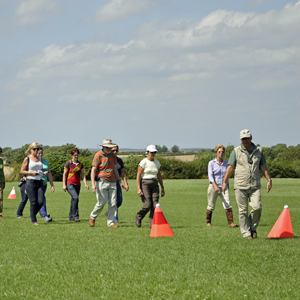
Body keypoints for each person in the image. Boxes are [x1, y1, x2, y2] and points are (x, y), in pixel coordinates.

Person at [222, 129, 272, 239]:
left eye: (247, 138)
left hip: (255, 185)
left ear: (251, 138)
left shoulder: (259, 150)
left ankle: (252, 228)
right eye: (243, 139)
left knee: (257, 207)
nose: (245, 140)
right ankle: (246, 233)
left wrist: (269, 180)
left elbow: (263, 166)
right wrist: (224, 182)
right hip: (240, 185)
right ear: (240, 139)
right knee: (242, 211)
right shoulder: (236, 151)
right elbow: (230, 167)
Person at [89, 139, 124, 228]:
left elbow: (115, 169)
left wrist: (119, 181)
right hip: (101, 181)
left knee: (113, 203)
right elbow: (93, 170)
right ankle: (92, 216)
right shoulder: (98, 155)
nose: (109, 149)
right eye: (107, 147)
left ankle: (111, 222)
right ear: (103, 147)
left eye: (110, 147)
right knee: (102, 202)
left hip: (112, 181)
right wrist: (93, 184)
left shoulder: (113, 156)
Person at [206, 144, 237, 228]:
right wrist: (215, 186)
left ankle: (231, 223)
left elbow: (227, 175)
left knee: (228, 204)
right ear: (216, 153)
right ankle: (208, 222)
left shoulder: (226, 163)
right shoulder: (211, 163)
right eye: (219, 152)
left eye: (222, 152)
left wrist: (227, 185)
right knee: (211, 205)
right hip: (213, 187)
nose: (221, 153)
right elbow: (210, 176)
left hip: (224, 187)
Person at [135, 145, 165, 228]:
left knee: (155, 205)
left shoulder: (157, 162)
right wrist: (139, 188)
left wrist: (162, 187)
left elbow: (159, 176)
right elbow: (138, 175)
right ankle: (139, 216)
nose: (153, 154)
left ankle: (152, 223)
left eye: (154, 152)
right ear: (147, 152)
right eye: (152, 152)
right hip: (145, 183)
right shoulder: (143, 162)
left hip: (155, 184)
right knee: (147, 204)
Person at [20, 142, 47, 225]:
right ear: (30, 149)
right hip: (30, 182)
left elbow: (40, 170)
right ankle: (34, 220)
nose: (36, 150)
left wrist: (43, 172)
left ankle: (32, 215)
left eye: (37, 149)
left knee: (41, 201)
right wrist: (32, 173)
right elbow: (22, 171)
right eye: (34, 149)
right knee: (33, 202)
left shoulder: (40, 159)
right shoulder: (27, 158)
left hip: (39, 182)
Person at [63, 148, 89, 222]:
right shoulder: (68, 163)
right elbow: (64, 174)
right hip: (69, 184)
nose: (76, 156)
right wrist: (64, 185)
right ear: (71, 155)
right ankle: (75, 216)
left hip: (78, 184)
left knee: (74, 200)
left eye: (77, 155)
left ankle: (71, 217)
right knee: (75, 198)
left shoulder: (80, 164)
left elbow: (83, 175)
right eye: (75, 155)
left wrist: (85, 183)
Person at [105, 145, 129, 223]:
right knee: (114, 202)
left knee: (119, 202)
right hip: (109, 183)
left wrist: (125, 183)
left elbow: (123, 173)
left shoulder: (119, 160)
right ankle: (115, 219)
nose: (115, 152)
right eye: (113, 150)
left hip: (118, 183)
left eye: (116, 150)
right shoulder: (107, 160)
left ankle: (108, 212)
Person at [37, 147, 54, 222]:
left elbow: (49, 174)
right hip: (36, 183)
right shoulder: (34, 162)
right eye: (39, 153)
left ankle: (41, 213)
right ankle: (45, 216)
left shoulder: (46, 161)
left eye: (41, 153)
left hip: (44, 183)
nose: (40, 155)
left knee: (39, 200)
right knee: (42, 199)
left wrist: (52, 185)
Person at [0, 147, 5, 218]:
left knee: (0, 197)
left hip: (1, 181)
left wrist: (4, 181)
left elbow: (2, 171)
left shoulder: (1, 160)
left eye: (0, 151)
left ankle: (0, 213)